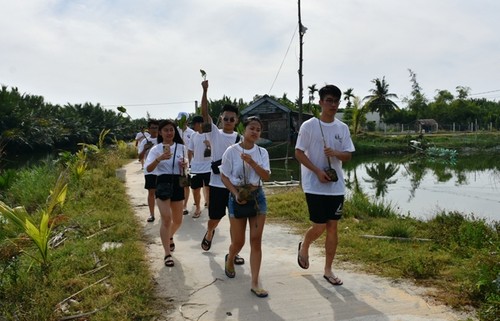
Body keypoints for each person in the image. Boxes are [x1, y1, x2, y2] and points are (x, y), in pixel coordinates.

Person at [295, 84, 355, 286]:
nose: (333, 105)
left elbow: (348, 155)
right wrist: (317, 171)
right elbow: (299, 153)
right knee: (319, 226)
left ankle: (328, 269)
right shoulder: (309, 126)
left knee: (332, 227)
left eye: (336, 101)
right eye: (329, 100)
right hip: (314, 185)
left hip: (336, 188)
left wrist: (335, 153)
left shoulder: (342, 128)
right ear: (321, 102)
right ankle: (305, 244)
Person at [220, 116, 271, 298]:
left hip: (257, 197)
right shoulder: (231, 151)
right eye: (252, 128)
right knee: (239, 241)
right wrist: (235, 193)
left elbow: (266, 176)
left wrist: (251, 162)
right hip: (237, 197)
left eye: (258, 129)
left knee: (256, 240)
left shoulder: (262, 153)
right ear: (244, 130)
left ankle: (255, 282)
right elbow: (224, 176)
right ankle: (231, 257)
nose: (255, 132)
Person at [199, 80, 245, 266]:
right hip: (217, 185)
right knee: (214, 218)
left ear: (237, 121)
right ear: (220, 119)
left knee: (237, 221)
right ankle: (210, 232)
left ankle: (233, 253)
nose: (228, 121)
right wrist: (205, 91)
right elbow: (204, 113)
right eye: (225, 118)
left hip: (235, 186)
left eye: (231, 119)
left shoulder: (240, 139)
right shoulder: (215, 134)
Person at [145, 119, 188, 267]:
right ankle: (167, 254)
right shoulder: (156, 149)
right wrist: (159, 158)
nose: (169, 133)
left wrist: (184, 165)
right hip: (162, 182)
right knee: (166, 218)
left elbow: (186, 166)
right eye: (166, 130)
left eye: (171, 130)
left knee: (178, 220)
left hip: (177, 182)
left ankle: (169, 236)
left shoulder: (181, 147)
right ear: (160, 133)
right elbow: (148, 169)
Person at [187, 115, 211, 218]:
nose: (193, 126)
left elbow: (217, 150)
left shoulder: (209, 135)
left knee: (209, 188)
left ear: (200, 124)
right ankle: (197, 208)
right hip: (196, 167)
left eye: (194, 124)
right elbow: (190, 150)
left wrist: (209, 145)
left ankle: (210, 207)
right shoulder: (193, 135)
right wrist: (190, 164)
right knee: (195, 189)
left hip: (208, 167)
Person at [137, 120, 160, 222]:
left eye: (156, 127)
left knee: (163, 192)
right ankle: (152, 214)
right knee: (151, 192)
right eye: (152, 128)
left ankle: (164, 213)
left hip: (162, 170)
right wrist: (145, 149)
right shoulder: (144, 141)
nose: (154, 130)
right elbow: (139, 157)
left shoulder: (162, 140)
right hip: (150, 170)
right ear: (148, 129)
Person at [177, 111, 195, 215]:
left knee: (185, 185)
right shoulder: (175, 131)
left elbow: (193, 149)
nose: (181, 122)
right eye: (179, 120)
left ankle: (184, 205)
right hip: (176, 162)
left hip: (187, 162)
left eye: (183, 120)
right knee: (176, 184)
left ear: (187, 120)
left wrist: (191, 162)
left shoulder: (191, 133)